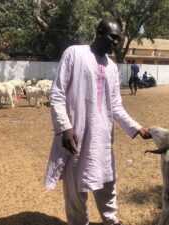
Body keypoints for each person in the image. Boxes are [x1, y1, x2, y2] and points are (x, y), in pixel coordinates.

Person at [44, 18, 151, 225]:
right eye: (113, 37)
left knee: (107, 182)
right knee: (76, 189)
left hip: (102, 137)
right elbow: (57, 95)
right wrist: (65, 128)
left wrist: (137, 128)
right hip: (76, 134)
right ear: (99, 32)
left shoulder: (112, 67)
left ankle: (111, 220)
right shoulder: (74, 53)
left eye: (119, 39)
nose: (116, 43)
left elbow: (116, 106)